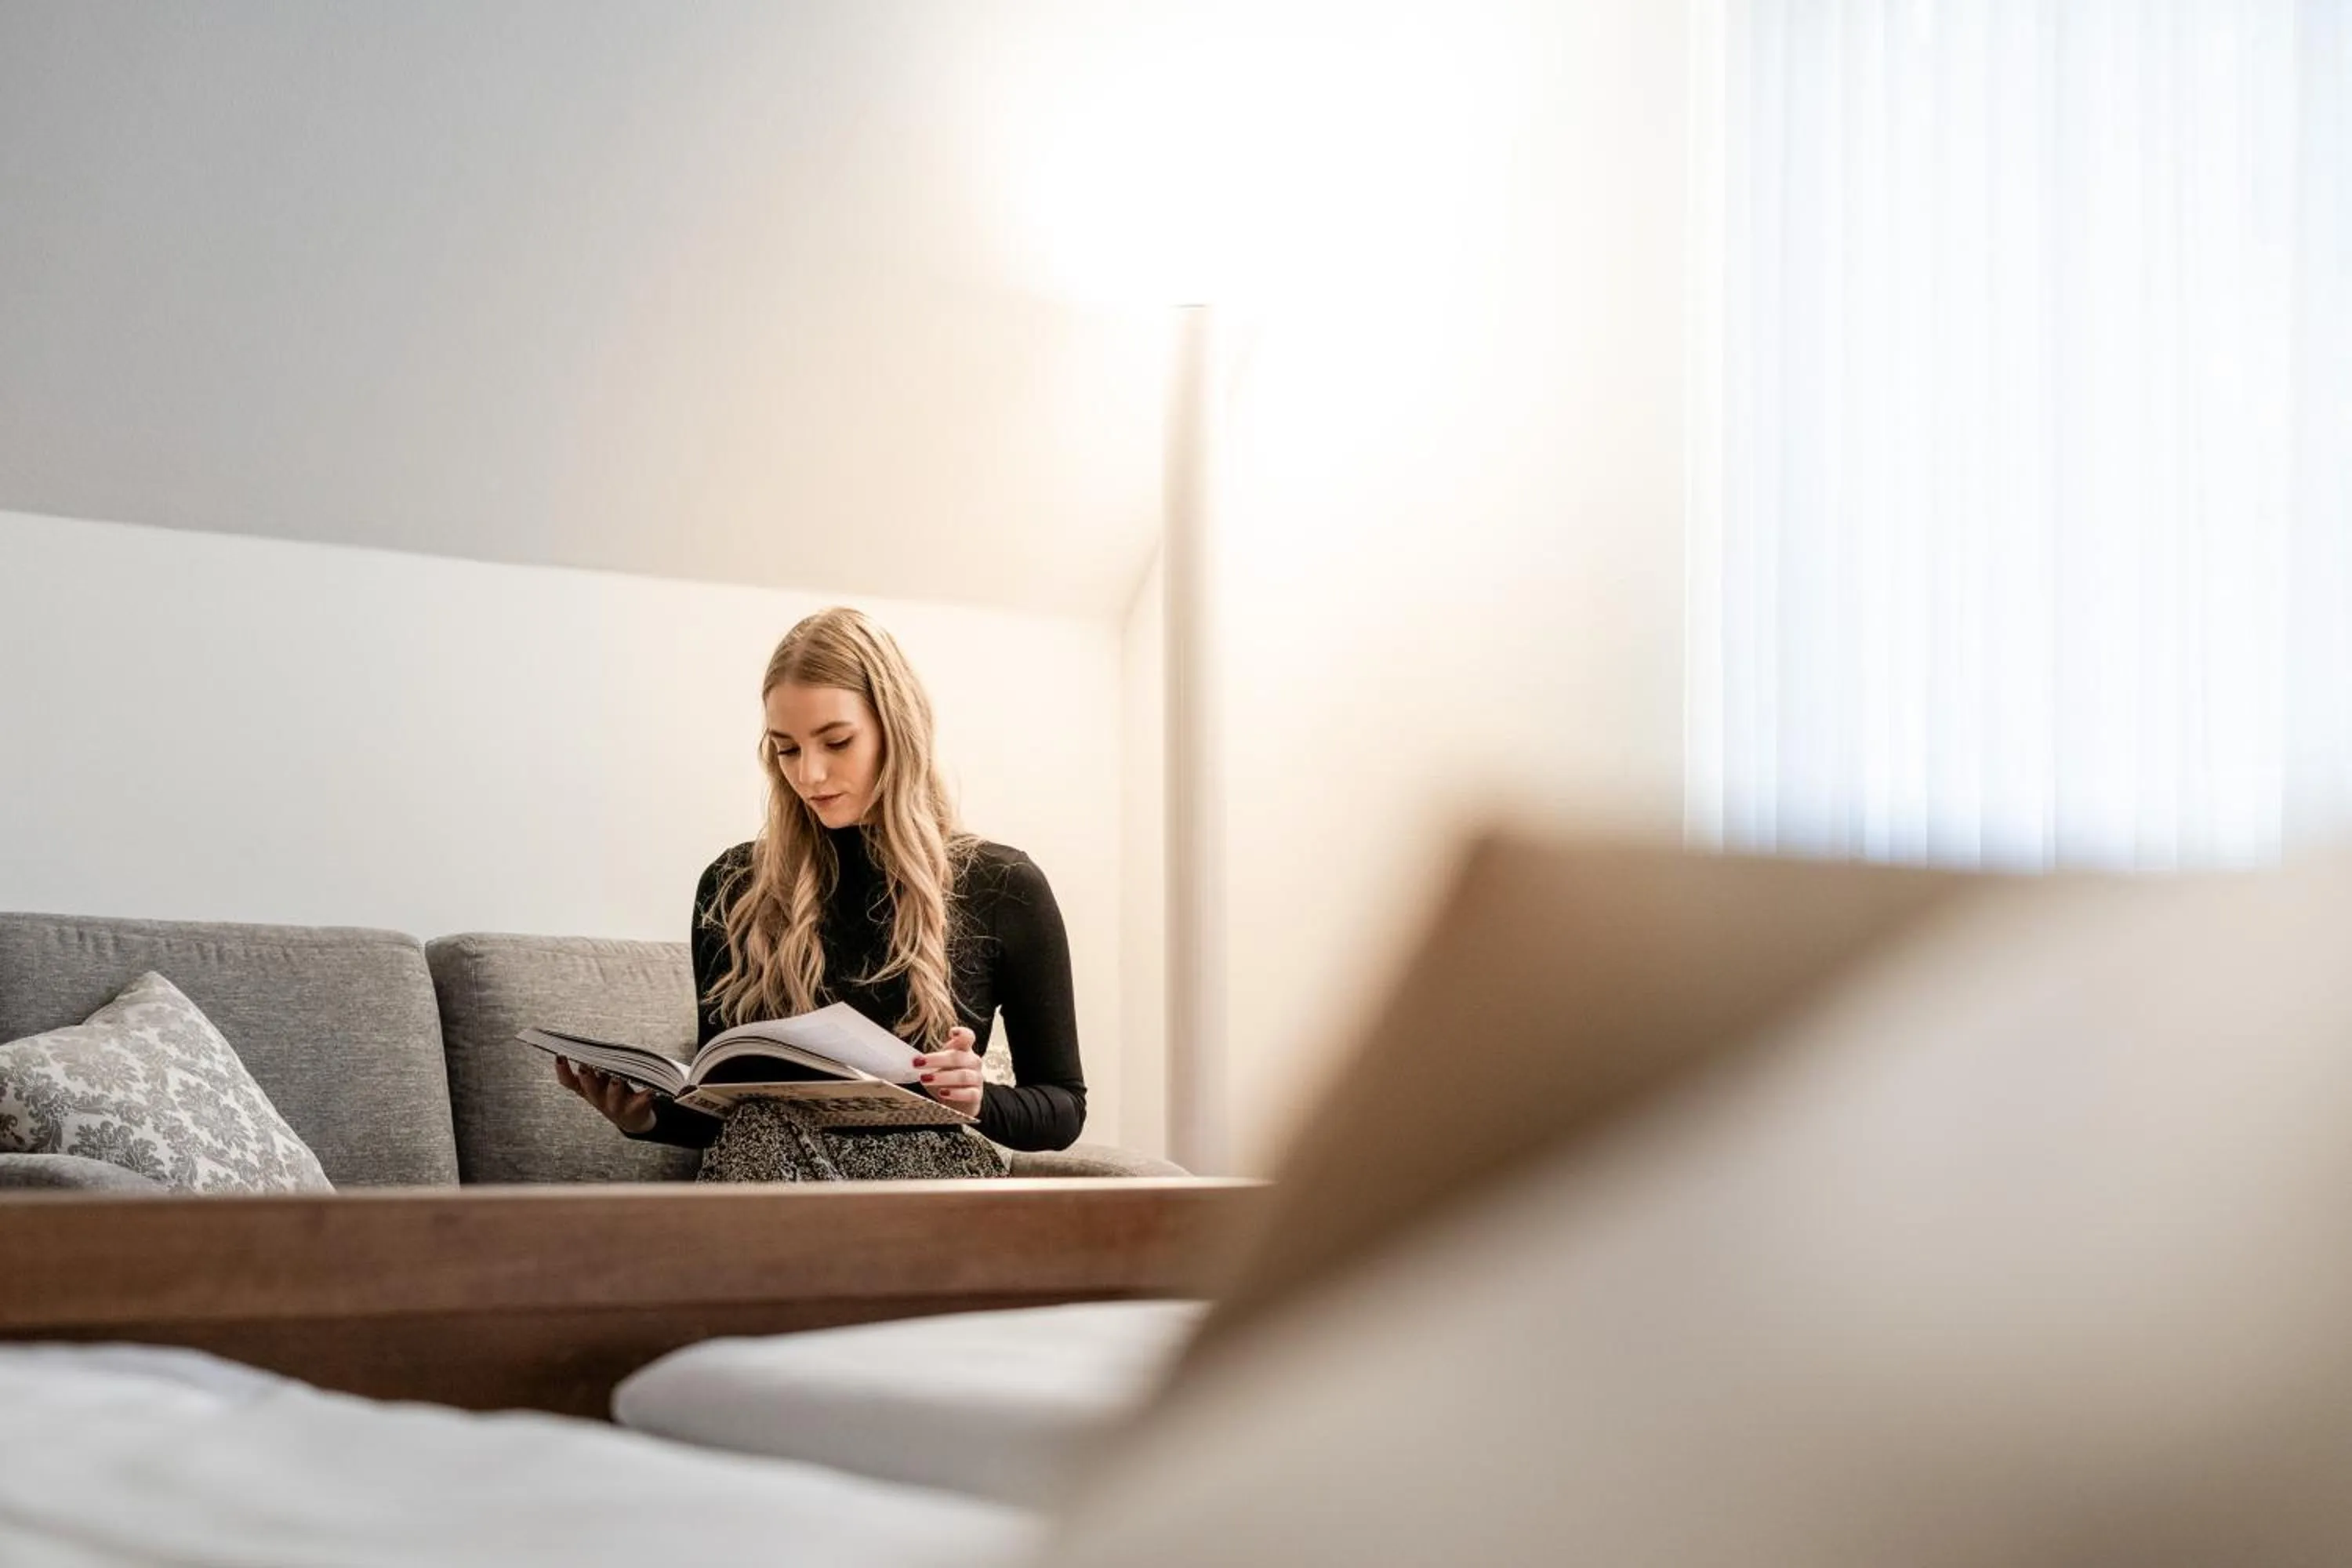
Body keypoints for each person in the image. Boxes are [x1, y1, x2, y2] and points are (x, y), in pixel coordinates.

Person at [554, 606, 1086, 1180]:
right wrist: (647, 1120)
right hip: (767, 1171)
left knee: (762, 1145)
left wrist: (979, 1099)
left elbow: (1062, 1106)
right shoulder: (734, 888)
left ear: (895, 730)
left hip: (923, 1181)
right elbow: (719, 1111)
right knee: (758, 1132)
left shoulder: (1003, 886)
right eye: (786, 749)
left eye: (836, 742)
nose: (808, 775)